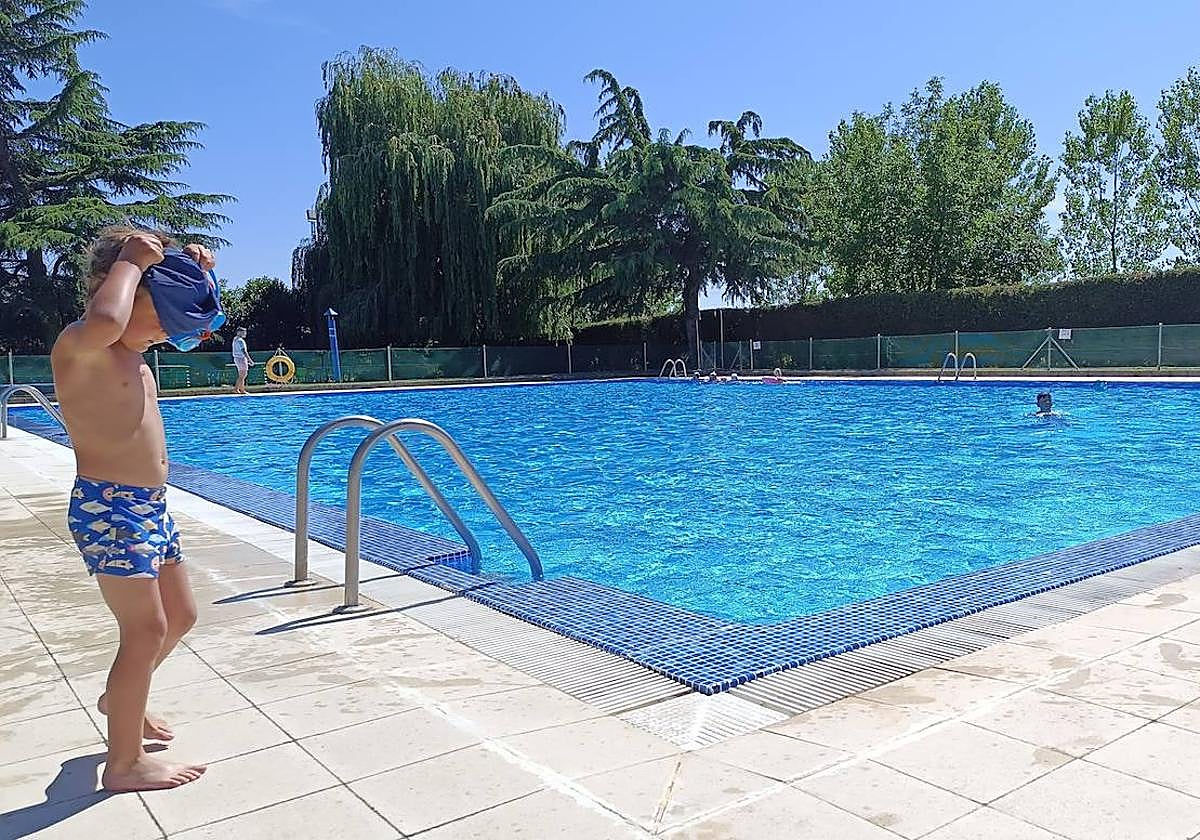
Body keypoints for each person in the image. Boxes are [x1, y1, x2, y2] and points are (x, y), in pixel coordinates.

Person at [51, 226, 222, 792]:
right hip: (109, 506)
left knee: (181, 617)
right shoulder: (83, 345)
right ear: (116, 287)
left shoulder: (136, 351)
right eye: (156, 318)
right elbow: (107, 319)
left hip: (152, 506)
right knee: (144, 629)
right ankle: (122, 764)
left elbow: (197, 322)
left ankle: (122, 697)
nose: (166, 335)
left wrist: (197, 270)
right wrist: (130, 260)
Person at [232, 327, 254, 394]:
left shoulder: (235, 339)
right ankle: (238, 389)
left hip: (237, 358)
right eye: (243, 332)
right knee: (243, 375)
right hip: (241, 358)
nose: (245, 334)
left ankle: (240, 389)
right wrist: (250, 360)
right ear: (239, 332)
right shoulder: (240, 340)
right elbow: (244, 351)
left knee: (242, 374)